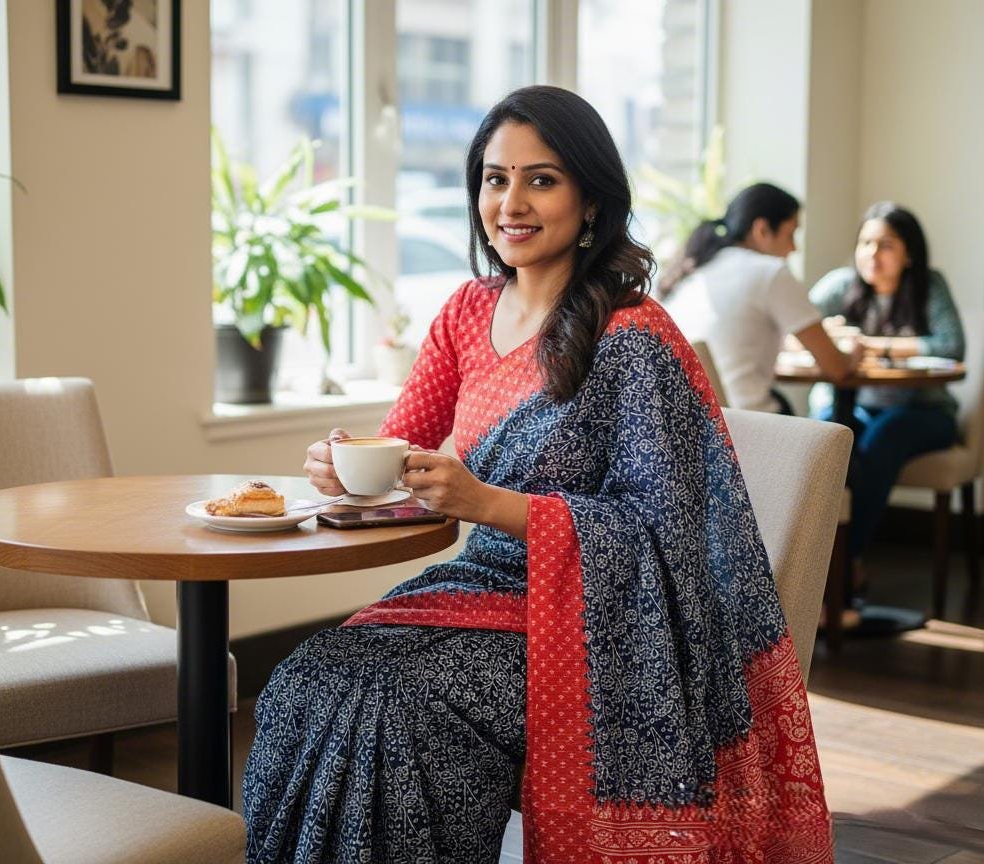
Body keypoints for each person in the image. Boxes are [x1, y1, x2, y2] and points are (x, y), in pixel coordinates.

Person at [242, 86, 833, 863]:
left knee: (402, 709)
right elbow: (397, 452)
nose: (510, 202)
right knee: (301, 682)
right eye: (494, 179)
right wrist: (342, 465)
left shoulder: (632, 337)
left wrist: (486, 502)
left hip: (600, 619)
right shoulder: (464, 311)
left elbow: (662, 535)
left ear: (590, 198)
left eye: (540, 179)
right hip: (468, 594)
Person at [810, 202, 965, 579]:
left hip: (926, 412)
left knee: (883, 438)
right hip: (859, 405)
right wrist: (834, 337)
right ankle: (831, 563)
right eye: (865, 243)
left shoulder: (931, 285)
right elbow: (795, 333)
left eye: (886, 245)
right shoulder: (840, 285)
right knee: (830, 432)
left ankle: (839, 567)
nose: (871, 255)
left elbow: (950, 346)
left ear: (909, 252)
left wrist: (873, 345)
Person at [661, 182, 860, 413]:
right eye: (791, 233)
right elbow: (836, 367)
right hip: (747, 426)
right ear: (762, 230)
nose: (794, 248)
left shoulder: (692, 270)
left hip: (693, 427)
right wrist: (856, 351)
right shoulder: (770, 272)